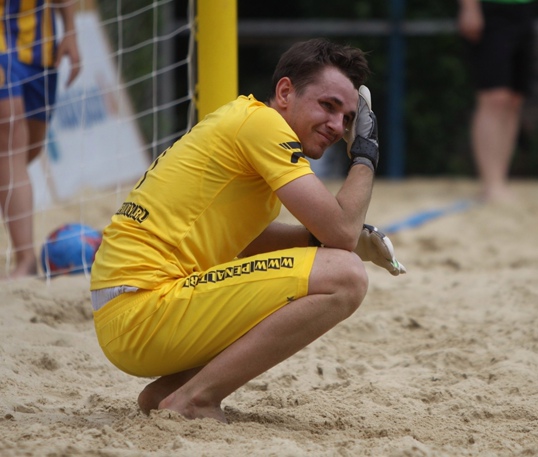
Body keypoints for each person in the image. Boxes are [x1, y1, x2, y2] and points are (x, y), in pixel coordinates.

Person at [90, 38, 406, 423]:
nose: (338, 126)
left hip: (128, 311)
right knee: (346, 277)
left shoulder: (245, 123)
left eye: (349, 119)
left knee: (332, 264)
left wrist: (326, 241)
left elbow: (248, 241)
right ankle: (195, 399)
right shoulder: (263, 125)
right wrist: (365, 153)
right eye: (328, 106)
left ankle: (173, 392)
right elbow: (341, 231)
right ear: (285, 92)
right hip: (142, 309)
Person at [0, 0, 81, 278]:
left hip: (40, 48)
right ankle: (26, 259)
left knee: (27, 152)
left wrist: (70, 30)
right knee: (9, 135)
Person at [457, 0, 537, 202]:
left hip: (525, 10)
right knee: (494, 97)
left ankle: (500, 179)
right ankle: (491, 184)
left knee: (514, 99)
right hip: (491, 10)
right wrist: (469, 7)